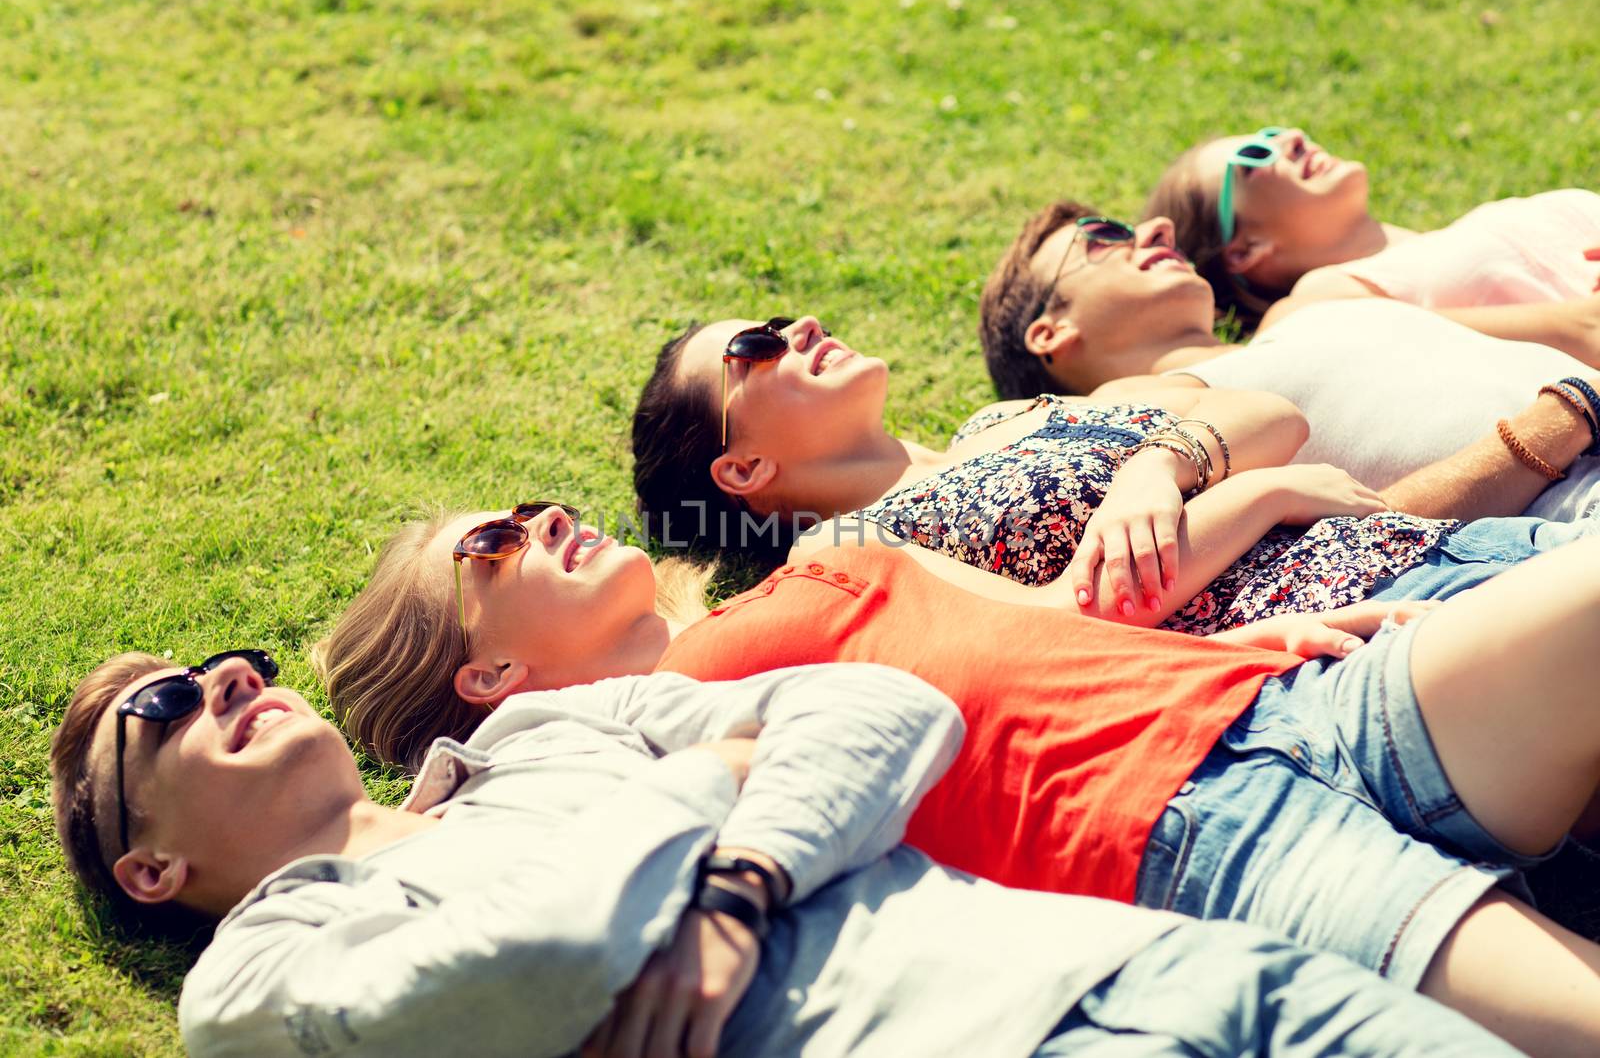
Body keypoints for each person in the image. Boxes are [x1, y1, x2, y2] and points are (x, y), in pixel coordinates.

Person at [316, 499, 1600, 1054]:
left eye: (527, 509)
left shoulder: (810, 564)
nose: (541, 520)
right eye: (490, 548)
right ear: (479, 675)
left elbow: (1042, 616)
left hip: (1286, 702)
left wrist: (1219, 642)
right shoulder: (629, 753)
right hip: (1182, 840)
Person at [48, 656, 1504, 1058]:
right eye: (166, 708)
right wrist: (717, 773)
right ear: (149, 865)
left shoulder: (549, 727)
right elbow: (519, 958)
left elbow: (886, 704)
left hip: (1160, 960)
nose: (226, 682)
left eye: (229, 663)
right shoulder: (252, 981)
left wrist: (738, 888)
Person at [630, 311, 1586, 630]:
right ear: (744, 467)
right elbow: (1083, 619)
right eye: (753, 348)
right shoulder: (855, 548)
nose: (795, 328)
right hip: (1360, 616)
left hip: (1431, 544)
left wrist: (1157, 471)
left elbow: (1265, 413)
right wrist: (1253, 492)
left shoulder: (1004, 419)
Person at [980, 202, 1600, 522]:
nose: (1156, 229)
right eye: (1104, 237)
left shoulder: (1301, 313)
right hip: (1566, 509)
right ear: (1050, 333)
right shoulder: (1122, 415)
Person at [1139, 125, 1600, 355]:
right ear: (1245, 249)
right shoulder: (1324, 299)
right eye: (1255, 156)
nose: (1293, 138)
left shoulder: (1461, 232)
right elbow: (1582, 331)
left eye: (1275, 134)